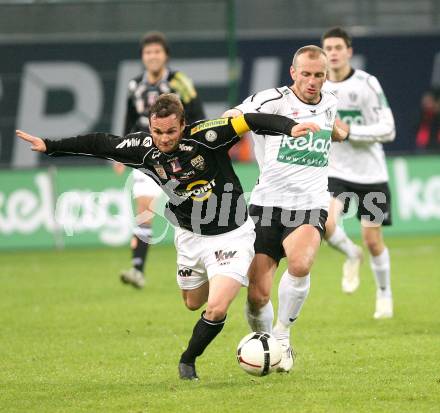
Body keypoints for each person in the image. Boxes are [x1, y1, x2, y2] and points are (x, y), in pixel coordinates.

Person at [16, 93, 320, 381]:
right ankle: (220, 291)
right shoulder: (143, 148)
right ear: (150, 127)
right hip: (189, 237)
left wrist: (290, 127)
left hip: (233, 236)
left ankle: (188, 360)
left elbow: (252, 120)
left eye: (171, 131)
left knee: (215, 308)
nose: (164, 139)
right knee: (192, 303)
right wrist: (49, 145)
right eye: (158, 132)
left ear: (183, 124)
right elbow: (100, 143)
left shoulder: (208, 135)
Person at [223, 45, 347, 372]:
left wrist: (339, 132)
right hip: (267, 205)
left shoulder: (331, 101)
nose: (312, 81)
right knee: (257, 296)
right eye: (305, 74)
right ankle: (266, 344)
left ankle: (282, 335)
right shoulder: (271, 100)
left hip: (309, 204)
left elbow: (334, 126)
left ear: (325, 76)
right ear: (293, 73)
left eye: (318, 75)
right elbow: (228, 120)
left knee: (301, 263)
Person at [117, 31, 206, 289]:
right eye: (148, 52)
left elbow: (198, 115)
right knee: (144, 211)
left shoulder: (180, 82)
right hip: (147, 154)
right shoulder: (135, 85)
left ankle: (206, 261)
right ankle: (137, 268)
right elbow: (129, 118)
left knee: (195, 210)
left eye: (157, 52)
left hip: (180, 156)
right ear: (143, 57)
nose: (152, 56)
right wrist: (121, 152)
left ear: (165, 55)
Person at [321, 27, 396, 318]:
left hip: (371, 175)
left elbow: (388, 129)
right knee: (326, 224)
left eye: (339, 47)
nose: (334, 53)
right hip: (336, 172)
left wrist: (350, 132)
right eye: (328, 48)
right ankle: (352, 255)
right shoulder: (320, 89)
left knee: (373, 241)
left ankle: (384, 293)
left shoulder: (367, 84)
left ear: (349, 52)